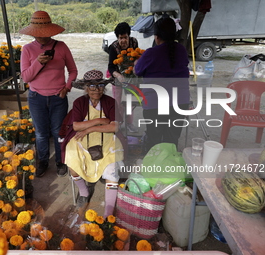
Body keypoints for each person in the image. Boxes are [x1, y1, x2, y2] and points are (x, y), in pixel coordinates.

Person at [19, 11, 78, 177]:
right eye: (39, 33)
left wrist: (67, 87)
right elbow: (26, 77)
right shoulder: (28, 49)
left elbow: (73, 71)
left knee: (58, 131)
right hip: (36, 98)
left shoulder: (61, 47)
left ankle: (60, 161)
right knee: (41, 133)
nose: (42, 37)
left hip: (58, 98)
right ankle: (43, 161)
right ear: (33, 32)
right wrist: (38, 62)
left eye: (45, 33)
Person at [61, 70, 124, 218]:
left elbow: (114, 127)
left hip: (107, 138)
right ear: (86, 88)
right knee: (72, 160)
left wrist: (90, 128)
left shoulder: (109, 102)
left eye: (100, 85)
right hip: (81, 139)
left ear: (104, 87)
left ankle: (108, 211)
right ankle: (84, 192)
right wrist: (100, 120)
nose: (96, 90)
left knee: (112, 172)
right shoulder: (79, 102)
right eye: (92, 86)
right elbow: (76, 126)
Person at [134, 17, 190, 153]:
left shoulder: (150, 53)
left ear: (157, 37)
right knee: (172, 140)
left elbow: (137, 71)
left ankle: (154, 170)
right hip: (180, 103)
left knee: (154, 140)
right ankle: (169, 169)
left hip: (155, 104)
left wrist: (137, 63)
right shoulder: (181, 50)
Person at [107, 22, 139, 133]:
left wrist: (136, 65)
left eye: (125, 37)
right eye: (121, 38)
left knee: (130, 101)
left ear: (129, 36)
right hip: (116, 75)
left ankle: (129, 123)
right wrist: (119, 76)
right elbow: (111, 67)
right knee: (118, 102)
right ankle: (119, 124)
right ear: (117, 38)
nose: (123, 41)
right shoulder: (113, 47)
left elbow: (137, 56)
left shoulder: (134, 42)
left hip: (130, 75)